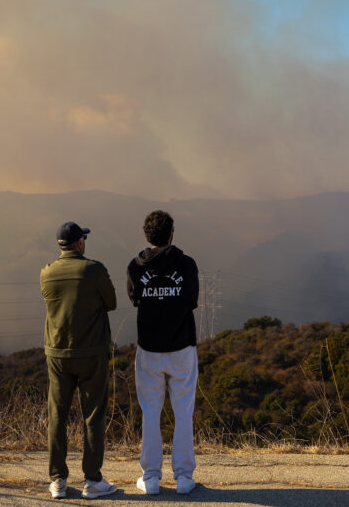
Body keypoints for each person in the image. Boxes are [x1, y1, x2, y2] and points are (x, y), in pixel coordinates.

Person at [41, 221, 117, 499]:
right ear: (80, 243)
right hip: (92, 353)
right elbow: (112, 302)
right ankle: (93, 480)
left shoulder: (46, 274)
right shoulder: (94, 270)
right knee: (93, 415)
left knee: (57, 415)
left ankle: (57, 480)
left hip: (57, 353)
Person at [126, 210, 199, 496]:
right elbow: (191, 299)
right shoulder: (187, 264)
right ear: (171, 234)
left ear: (148, 236)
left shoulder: (135, 266)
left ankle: (151, 478)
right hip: (181, 347)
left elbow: (135, 299)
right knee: (183, 412)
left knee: (150, 412)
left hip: (149, 350)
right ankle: (183, 478)